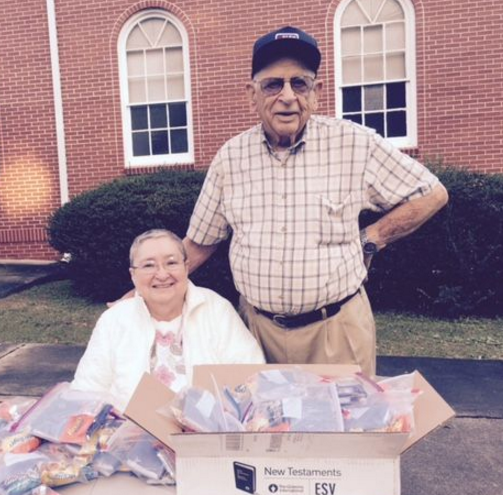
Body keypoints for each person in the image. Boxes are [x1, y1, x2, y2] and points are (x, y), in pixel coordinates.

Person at [183, 26, 449, 377]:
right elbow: (200, 242)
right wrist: (141, 289)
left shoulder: (355, 144)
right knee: (260, 414)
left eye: (300, 83)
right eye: (273, 84)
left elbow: (431, 193)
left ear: (316, 93)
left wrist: (371, 239)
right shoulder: (230, 158)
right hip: (254, 335)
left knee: (348, 414)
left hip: (336, 332)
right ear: (252, 95)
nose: (287, 96)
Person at [71, 229, 264, 410]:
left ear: (186, 267)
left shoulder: (216, 309)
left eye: (171, 263)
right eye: (149, 265)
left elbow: (251, 376)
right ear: (133, 275)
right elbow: (87, 390)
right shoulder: (114, 320)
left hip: (208, 428)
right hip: (129, 430)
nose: (162, 274)